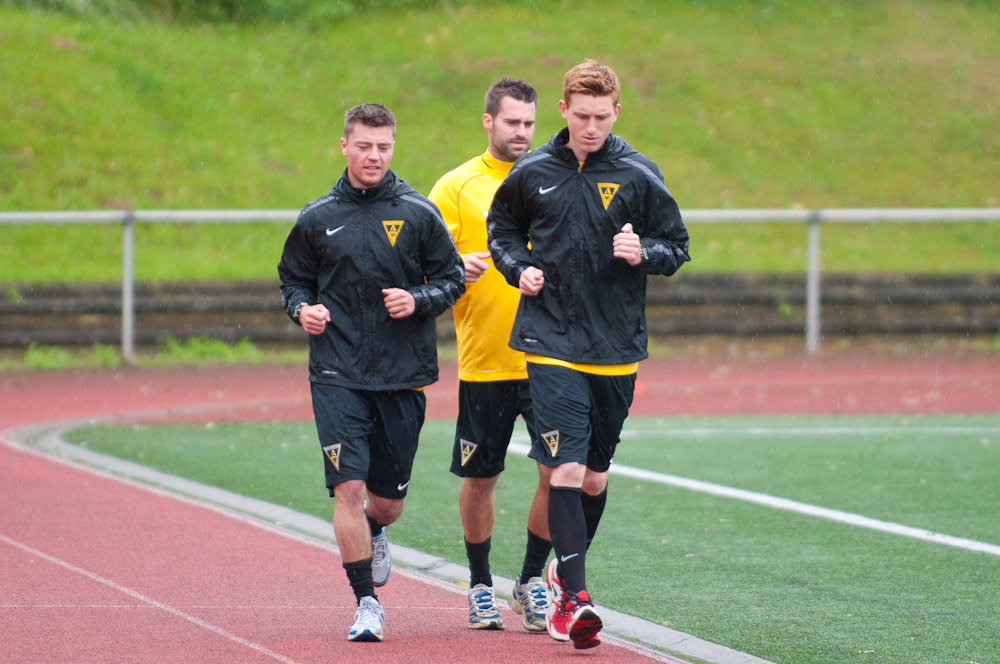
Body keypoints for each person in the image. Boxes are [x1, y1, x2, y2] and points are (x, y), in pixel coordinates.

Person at [487, 60, 691, 649]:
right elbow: (502, 231)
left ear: (617, 112)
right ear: (564, 111)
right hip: (549, 340)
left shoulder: (639, 173)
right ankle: (574, 599)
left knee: (595, 480)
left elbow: (677, 246)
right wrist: (517, 267)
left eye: (602, 117)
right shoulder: (533, 171)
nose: (592, 127)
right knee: (567, 470)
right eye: (582, 116)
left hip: (615, 346)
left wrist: (643, 251)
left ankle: (561, 572)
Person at [278, 103, 465, 643]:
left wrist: (418, 299)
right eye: (364, 146)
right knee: (349, 489)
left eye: (383, 146)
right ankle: (366, 602)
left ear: (393, 147)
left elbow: (453, 278)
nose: (374, 156)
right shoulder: (317, 217)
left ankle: (377, 530)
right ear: (344, 146)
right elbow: (293, 281)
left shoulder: (418, 212)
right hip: (335, 372)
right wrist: (302, 310)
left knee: (386, 502)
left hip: (402, 375)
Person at [428, 78, 552, 632]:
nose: (521, 132)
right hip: (486, 361)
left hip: (552, 360)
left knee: (558, 473)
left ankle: (529, 581)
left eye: (529, 123)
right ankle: (480, 585)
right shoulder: (456, 187)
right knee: (481, 479)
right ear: (488, 121)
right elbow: (419, 263)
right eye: (511, 122)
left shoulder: (554, 178)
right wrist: (456, 266)